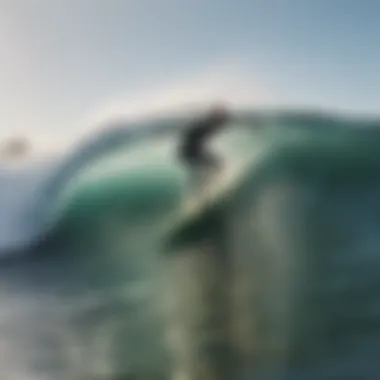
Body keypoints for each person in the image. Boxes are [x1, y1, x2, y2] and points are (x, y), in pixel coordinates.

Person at [179, 105, 231, 170]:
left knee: (214, 163)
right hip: (190, 152)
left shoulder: (205, 125)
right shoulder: (204, 126)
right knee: (215, 164)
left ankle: (205, 175)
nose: (221, 125)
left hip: (190, 151)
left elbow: (194, 139)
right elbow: (192, 140)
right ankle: (207, 175)